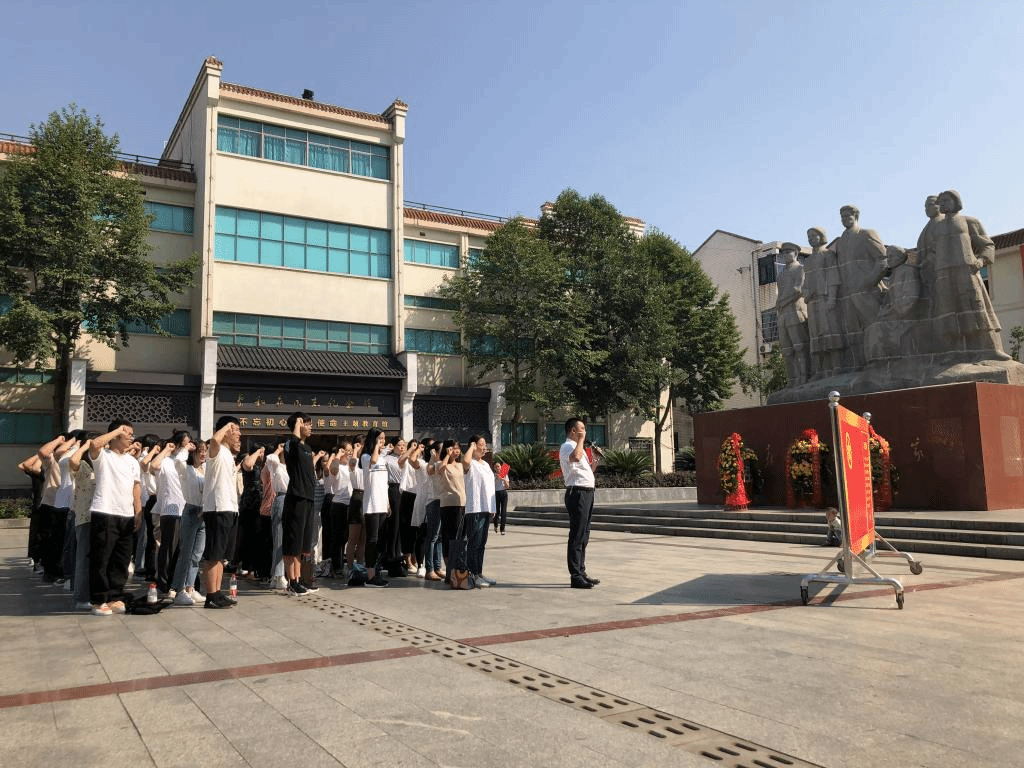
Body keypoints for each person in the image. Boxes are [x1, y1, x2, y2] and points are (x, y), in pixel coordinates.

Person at [929, 189, 1009, 361]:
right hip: (943, 273)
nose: (942, 204)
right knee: (948, 313)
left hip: (966, 270)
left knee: (977, 309)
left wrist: (980, 261)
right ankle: (954, 353)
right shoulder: (936, 227)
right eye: (940, 201)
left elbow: (987, 245)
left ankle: (991, 349)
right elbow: (931, 252)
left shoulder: (969, 221)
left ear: (956, 201)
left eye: (946, 200)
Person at [88, 421, 142, 616]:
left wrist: (138, 511)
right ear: (116, 435)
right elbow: (94, 444)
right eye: (128, 434)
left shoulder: (132, 461)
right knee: (102, 558)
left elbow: (136, 486)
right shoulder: (103, 456)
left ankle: (114, 596)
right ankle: (98, 600)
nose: (131, 437)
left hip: (126, 514)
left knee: (121, 558)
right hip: (105, 511)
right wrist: (118, 430)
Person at [832, 205, 886, 369]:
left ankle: (881, 362)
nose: (844, 219)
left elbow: (883, 260)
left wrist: (868, 282)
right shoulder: (840, 242)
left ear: (856, 216)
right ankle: (859, 366)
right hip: (847, 294)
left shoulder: (867, 234)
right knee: (852, 332)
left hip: (867, 291)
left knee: (874, 327)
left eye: (847, 215)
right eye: (842, 216)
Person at [200, 416, 242, 609]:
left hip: (230, 508)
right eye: (236, 430)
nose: (239, 435)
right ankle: (210, 595)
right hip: (217, 508)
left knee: (222, 555)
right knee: (213, 554)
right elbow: (214, 440)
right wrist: (226, 427)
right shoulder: (215, 450)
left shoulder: (228, 454)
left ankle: (217, 593)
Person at [560, 417, 600, 589]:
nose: (585, 431)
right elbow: (575, 458)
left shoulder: (578, 447)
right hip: (577, 493)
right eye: (582, 428)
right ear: (573, 431)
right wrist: (581, 440)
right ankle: (575, 576)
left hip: (587, 492)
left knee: (584, 534)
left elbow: (586, 471)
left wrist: (595, 461)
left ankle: (581, 572)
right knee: (577, 535)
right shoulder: (567, 446)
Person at [282, 412, 317, 595]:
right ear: (298, 424)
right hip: (296, 497)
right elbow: (294, 445)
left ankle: (299, 578)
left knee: (302, 544)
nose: (310, 427)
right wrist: (296, 424)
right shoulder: (290, 444)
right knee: (292, 542)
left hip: (308, 498)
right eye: (307, 423)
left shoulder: (307, 448)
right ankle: (292, 581)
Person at [170, 439, 208, 606]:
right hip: (191, 510)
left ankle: (190, 587)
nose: (203, 454)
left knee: (197, 555)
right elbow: (178, 461)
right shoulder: (186, 469)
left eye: (205, 451)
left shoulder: (206, 469)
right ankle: (178, 589)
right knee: (185, 553)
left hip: (204, 512)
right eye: (200, 451)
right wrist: (185, 448)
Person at [803, 227, 843, 378]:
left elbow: (833, 277)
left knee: (830, 331)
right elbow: (804, 284)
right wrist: (807, 294)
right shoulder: (808, 261)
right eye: (809, 236)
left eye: (814, 235)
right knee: (816, 334)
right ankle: (821, 370)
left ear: (822, 236)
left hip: (826, 299)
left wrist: (832, 298)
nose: (811, 239)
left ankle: (837, 366)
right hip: (812, 302)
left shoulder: (828, 255)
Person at [462, 435, 496, 587]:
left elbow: (489, 487)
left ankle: (479, 573)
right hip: (475, 508)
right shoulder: (470, 463)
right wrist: (471, 447)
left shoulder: (486, 465)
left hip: (486, 508)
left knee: (481, 543)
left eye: (485, 445)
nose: (485, 447)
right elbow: (465, 462)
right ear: (474, 445)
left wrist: (493, 508)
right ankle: (472, 574)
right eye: (481, 444)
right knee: (474, 542)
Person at [775, 242, 810, 385]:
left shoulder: (801, 269)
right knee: (787, 350)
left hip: (796, 312)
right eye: (783, 253)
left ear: (795, 253)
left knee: (800, 347)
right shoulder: (781, 275)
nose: (785, 255)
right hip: (783, 314)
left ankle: (805, 377)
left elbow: (798, 289)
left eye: (787, 252)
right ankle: (792, 380)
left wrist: (782, 301)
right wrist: (779, 304)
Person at [359, 427, 391, 587]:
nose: (383, 441)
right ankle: (370, 575)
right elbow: (372, 461)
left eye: (384, 438)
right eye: (380, 438)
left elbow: (384, 483)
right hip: (371, 505)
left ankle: (377, 572)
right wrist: (377, 447)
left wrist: (388, 502)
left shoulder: (383, 459)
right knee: (372, 540)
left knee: (380, 541)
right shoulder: (365, 457)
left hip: (382, 504)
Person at [261, 441, 289, 588]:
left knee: (287, 540)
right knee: (278, 538)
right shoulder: (276, 465)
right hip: (280, 498)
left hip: (291, 500)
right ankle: (278, 575)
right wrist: (278, 450)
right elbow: (270, 458)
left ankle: (278, 574)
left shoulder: (291, 467)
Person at [493, 457, 510, 535]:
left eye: (498, 466)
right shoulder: (493, 476)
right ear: (494, 468)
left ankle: (502, 528)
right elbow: (493, 485)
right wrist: (498, 478)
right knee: (497, 511)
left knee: (503, 511)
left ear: (501, 467)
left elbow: (507, 486)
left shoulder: (505, 474)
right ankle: (495, 524)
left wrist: (504, 480)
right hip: (496, 493)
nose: (497, 468)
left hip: (504, 493)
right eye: (496, 467)